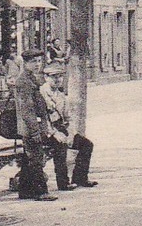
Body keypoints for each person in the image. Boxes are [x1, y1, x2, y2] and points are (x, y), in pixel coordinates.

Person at [41, 62, 98, 190]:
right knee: (60, 145)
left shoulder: (61, 96)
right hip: (46, 131)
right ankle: (63, 183)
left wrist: (71, 134)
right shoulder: (42, 94)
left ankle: (80, 178)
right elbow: (43, 119)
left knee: (86, 144)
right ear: (46, 77)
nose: (57, 79)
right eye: (53, 76)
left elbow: (68, 118)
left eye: (60, 76)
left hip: (61, 129)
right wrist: (55, 133)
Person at [11, 50, 56, 201]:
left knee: (29, 157)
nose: (37, 64)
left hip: (31, 125)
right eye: (33, 62)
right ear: (25, 63)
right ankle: (40, 192)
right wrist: (35, 131)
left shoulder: (31, 78)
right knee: (36, 157)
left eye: (39, 61)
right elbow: (27, 109)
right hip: (30, 126)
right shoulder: (24, 81)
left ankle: (25, 191)